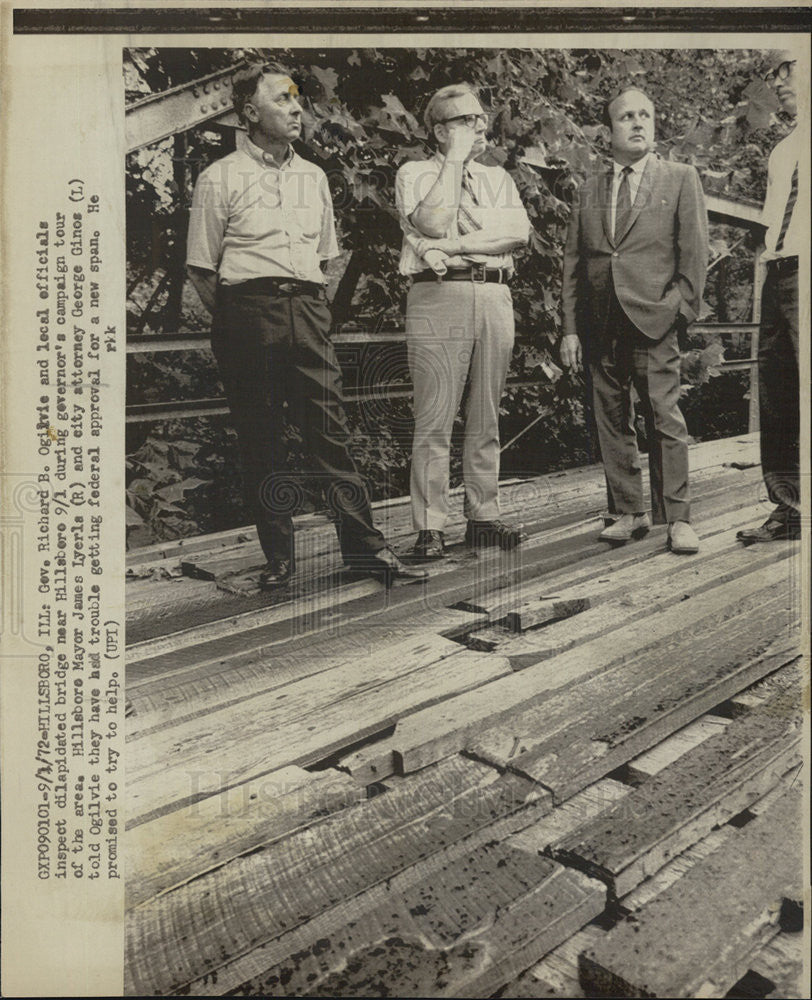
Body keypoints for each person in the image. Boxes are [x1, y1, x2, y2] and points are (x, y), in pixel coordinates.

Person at [186, 62, 427, 589]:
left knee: (330, 434)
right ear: (250, 112)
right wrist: (239, 319)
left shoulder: (314, 177)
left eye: (298, 99)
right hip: (248, 314)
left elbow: (324, 259)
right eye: (282, 100)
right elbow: (202, 270)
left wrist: (305, 312)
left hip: (309, 310)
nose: (297, 109)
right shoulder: (218, 177)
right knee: (261, 438)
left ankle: (366, 551)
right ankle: (279, 561)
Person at [560, 86, 708, 554]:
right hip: (600, 324)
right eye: (626, 116)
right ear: (610, 130)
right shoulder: (589, 188)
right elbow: (573, 263)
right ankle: (628, 511)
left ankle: (677, 519)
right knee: (610, 419)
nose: (637, 123)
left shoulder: (680, 178)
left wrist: (680, 311)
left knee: (665, 417)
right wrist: (569, 328)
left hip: (655, 319)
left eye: (645, 114)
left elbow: (695, 253)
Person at [394, 83, 531, 562]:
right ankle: (430, 526)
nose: (479, 126)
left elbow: (517, 233)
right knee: (434, 414)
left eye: (480, 118)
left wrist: (452, 247)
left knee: (485, 412)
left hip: (493, 292)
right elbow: (430, 221)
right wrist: (452, 163)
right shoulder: (415, 173)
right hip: (439, 295)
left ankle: (484, 517)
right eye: (464, 121)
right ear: (437, 130)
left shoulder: (498, 179)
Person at [737, 51, 803, 544]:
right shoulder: (782, 151)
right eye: (774, 73)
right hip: (776, 274)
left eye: (790, 68)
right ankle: (789, 508)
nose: (779, 81)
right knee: (778, 391)